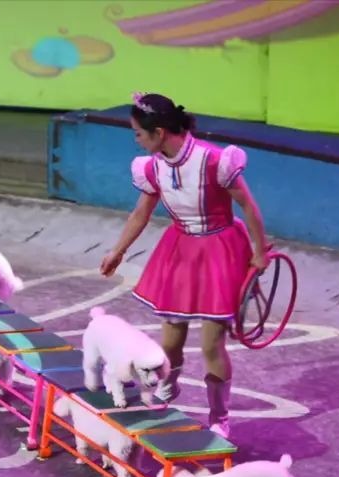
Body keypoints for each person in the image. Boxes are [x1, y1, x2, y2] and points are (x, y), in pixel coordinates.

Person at [99, 92, 269, 439]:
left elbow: (249, 206)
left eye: (138, 133)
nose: (136, 140)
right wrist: (118, 250)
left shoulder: (214, 161)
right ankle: (169, 386)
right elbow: (141, 213)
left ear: (159, 132)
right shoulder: (153, 167)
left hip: (220, 251)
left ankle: (219, 416)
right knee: (171, 341)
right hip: (180, 251)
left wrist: (260, 251)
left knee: (210, 345)